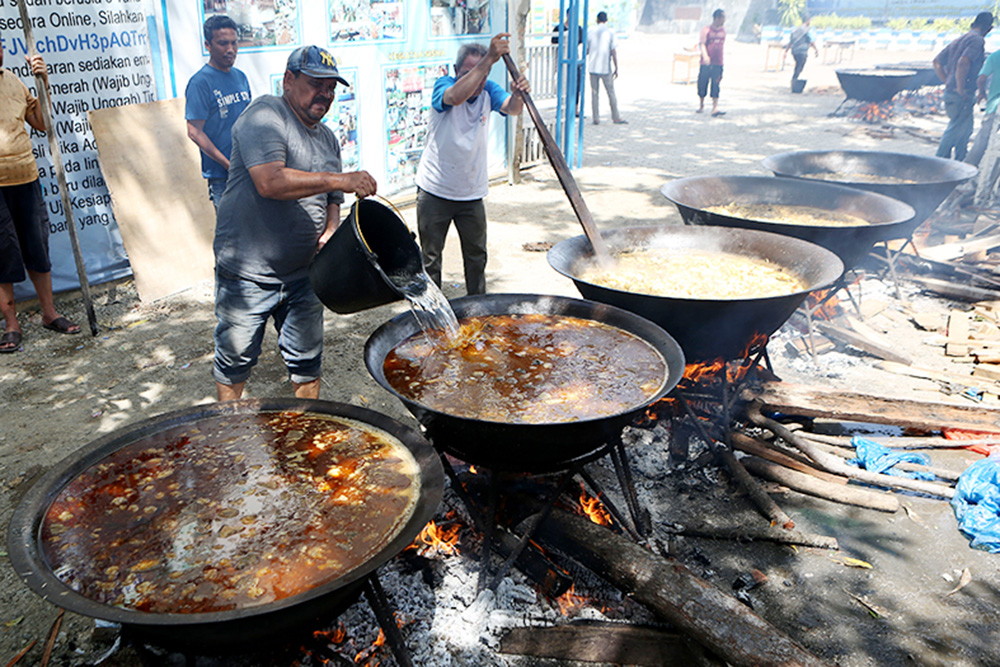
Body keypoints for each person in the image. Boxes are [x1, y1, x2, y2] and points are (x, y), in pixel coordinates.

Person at [211, 45, 377, 401]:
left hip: (305, 275)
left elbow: (334, 198)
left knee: (307, 363)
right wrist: (340, 180)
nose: (325, 94)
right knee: (235, 361)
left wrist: (332, 227)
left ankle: (305, 441)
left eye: (331, 87)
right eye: (316, 83)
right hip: (248, 273)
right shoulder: (265, 115)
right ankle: (228, 433)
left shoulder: (328, 136)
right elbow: (269, 182)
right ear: (288, 80)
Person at [414, 34, 529, 295]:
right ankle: (433, 317)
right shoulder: (444, 85)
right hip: (435, 190)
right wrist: (489, 59)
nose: (476, 81)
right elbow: (455, 97)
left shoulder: (488, 89)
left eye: (482, 74)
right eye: (469, 72)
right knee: (430, 260)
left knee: (477, 258)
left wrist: (518, 94)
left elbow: (512, 108)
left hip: (471, 193)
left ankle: (479, 312)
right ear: (456, 71)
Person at [1, 49, 80, 353]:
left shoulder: (13, 81)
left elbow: (41, 123)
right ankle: (11, 324)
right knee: (3, 253)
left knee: (37, 245)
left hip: (26, 177)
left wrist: (42, 82)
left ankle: (49, 313)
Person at [185, 15, 252, 211]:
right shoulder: (200, 83)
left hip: (249, 172)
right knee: (231, 237)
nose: (230, 50)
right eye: (223, 43)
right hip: (223, 178)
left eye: (234, 43)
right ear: (208, 45)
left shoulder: (240, 77)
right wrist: (228, 165)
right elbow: (194, 131)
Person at [934, 11, 994, 161]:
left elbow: (937, 62)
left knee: (965, 130)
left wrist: (948, 81)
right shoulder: (977, 40)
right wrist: (960, 88)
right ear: (989, 28)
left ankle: (960, 163)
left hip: (952, 92)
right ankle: (938, 163)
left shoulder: (960, 39)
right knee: (955, 129)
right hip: (962, 93)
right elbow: (963, 62)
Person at [587, 11, 626, 125]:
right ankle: (615, 116)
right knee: (611, 93)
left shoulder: (591, 31)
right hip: (605, 67)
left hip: (593, 67)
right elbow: (613, 51)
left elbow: (587, 50)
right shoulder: (610, 32)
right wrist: (616, 67)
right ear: (606, 20)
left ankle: (596, 118)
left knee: (594, 94)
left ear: (597, 20)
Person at [697, 9, 726, 116]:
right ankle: (701, 105)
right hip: (706, 63)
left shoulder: (723, 31)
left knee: (716, 84)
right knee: (702, 83)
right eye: (723, 18)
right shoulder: (706, 30)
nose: (724, 20)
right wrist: (705, 56)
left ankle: (715, 107)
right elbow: (702, 44)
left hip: (718, 62)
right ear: (717, 18)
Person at [784, 16, 819, 91]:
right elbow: (812, 41)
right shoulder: (808, 30)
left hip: (794, 51)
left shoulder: (795, 30)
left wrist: (786, 51)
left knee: (798, 65)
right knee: (800, 66)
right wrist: (816, 50)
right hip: (802, 51)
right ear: (808, 21)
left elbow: (790, 42)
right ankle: (794, 81)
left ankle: (795, 80)